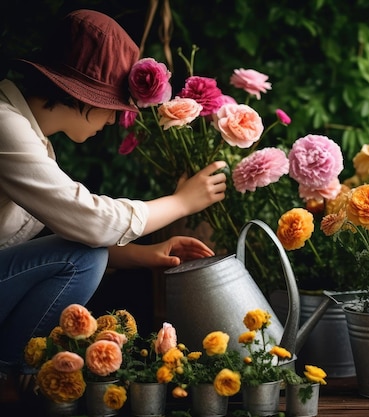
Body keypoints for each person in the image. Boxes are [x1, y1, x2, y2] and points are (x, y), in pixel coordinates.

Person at [0, 9, 227, 392]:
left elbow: (54, 234)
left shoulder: (30, 137)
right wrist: (182, 203)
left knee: (88, 253)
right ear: (76, 93)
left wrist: (144, 254)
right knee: (85, 258)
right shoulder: (6, 126)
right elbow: (89, 223)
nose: (112, 121)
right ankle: (10, 371)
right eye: (111, 106)